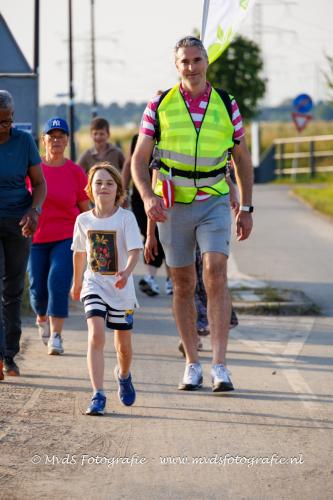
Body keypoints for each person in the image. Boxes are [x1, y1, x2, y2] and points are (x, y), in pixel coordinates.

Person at [132, 36, 253, 392]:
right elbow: (140, 160)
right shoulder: (159, 104)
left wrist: (245, 207)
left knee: (215, 270)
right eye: (185, 61)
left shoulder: (226, 103)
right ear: (176, 65)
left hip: (214, 198)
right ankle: (192, 364)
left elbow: (241, 159)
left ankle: (220, 365)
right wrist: (147, 197)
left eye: (197, 60)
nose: (191, 67)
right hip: (173, 204)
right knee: (182, 283)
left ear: (206, 62)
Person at [71, 163, 143, 416]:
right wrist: (77, 282)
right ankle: (98, 394)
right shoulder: (83, 220)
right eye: (98, 182)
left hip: (121, 288)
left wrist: (126, 271)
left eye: (109, 183)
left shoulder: (126, 218)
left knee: (123, 347)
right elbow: (80, 252)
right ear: (89, 189)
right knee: (96, 334)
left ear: (118, 190)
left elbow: (135, 250)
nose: (103, 187)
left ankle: (123, 376)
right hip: (95, 284)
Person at [27, 117, 89, 355]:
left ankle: (56, 335)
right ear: (43, 141)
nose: (56, 140)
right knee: (37, 290)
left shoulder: (75, 172)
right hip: (35, 238)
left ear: (67, 141)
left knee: (57, 281)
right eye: (51, 137)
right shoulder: (33, 170)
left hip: (66, 237)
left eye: (60, 136)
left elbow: (85, 208)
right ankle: (42, 318)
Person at [0, 90, 46, 379]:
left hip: (19, 222)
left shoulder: (24, 141)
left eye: (7, 122)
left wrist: (34, 211)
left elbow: (39, 184)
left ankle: (9, 356)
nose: (3, 127)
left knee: (13, 290)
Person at [122, 133, 173, 296]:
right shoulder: (140, 138)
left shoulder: (171, 136)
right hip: (141, 197)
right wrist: (123, 191)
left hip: (168, 194)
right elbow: (130, 163)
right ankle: (151, 278)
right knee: (149, 235)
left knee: (166, 236)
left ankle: (170, 280)